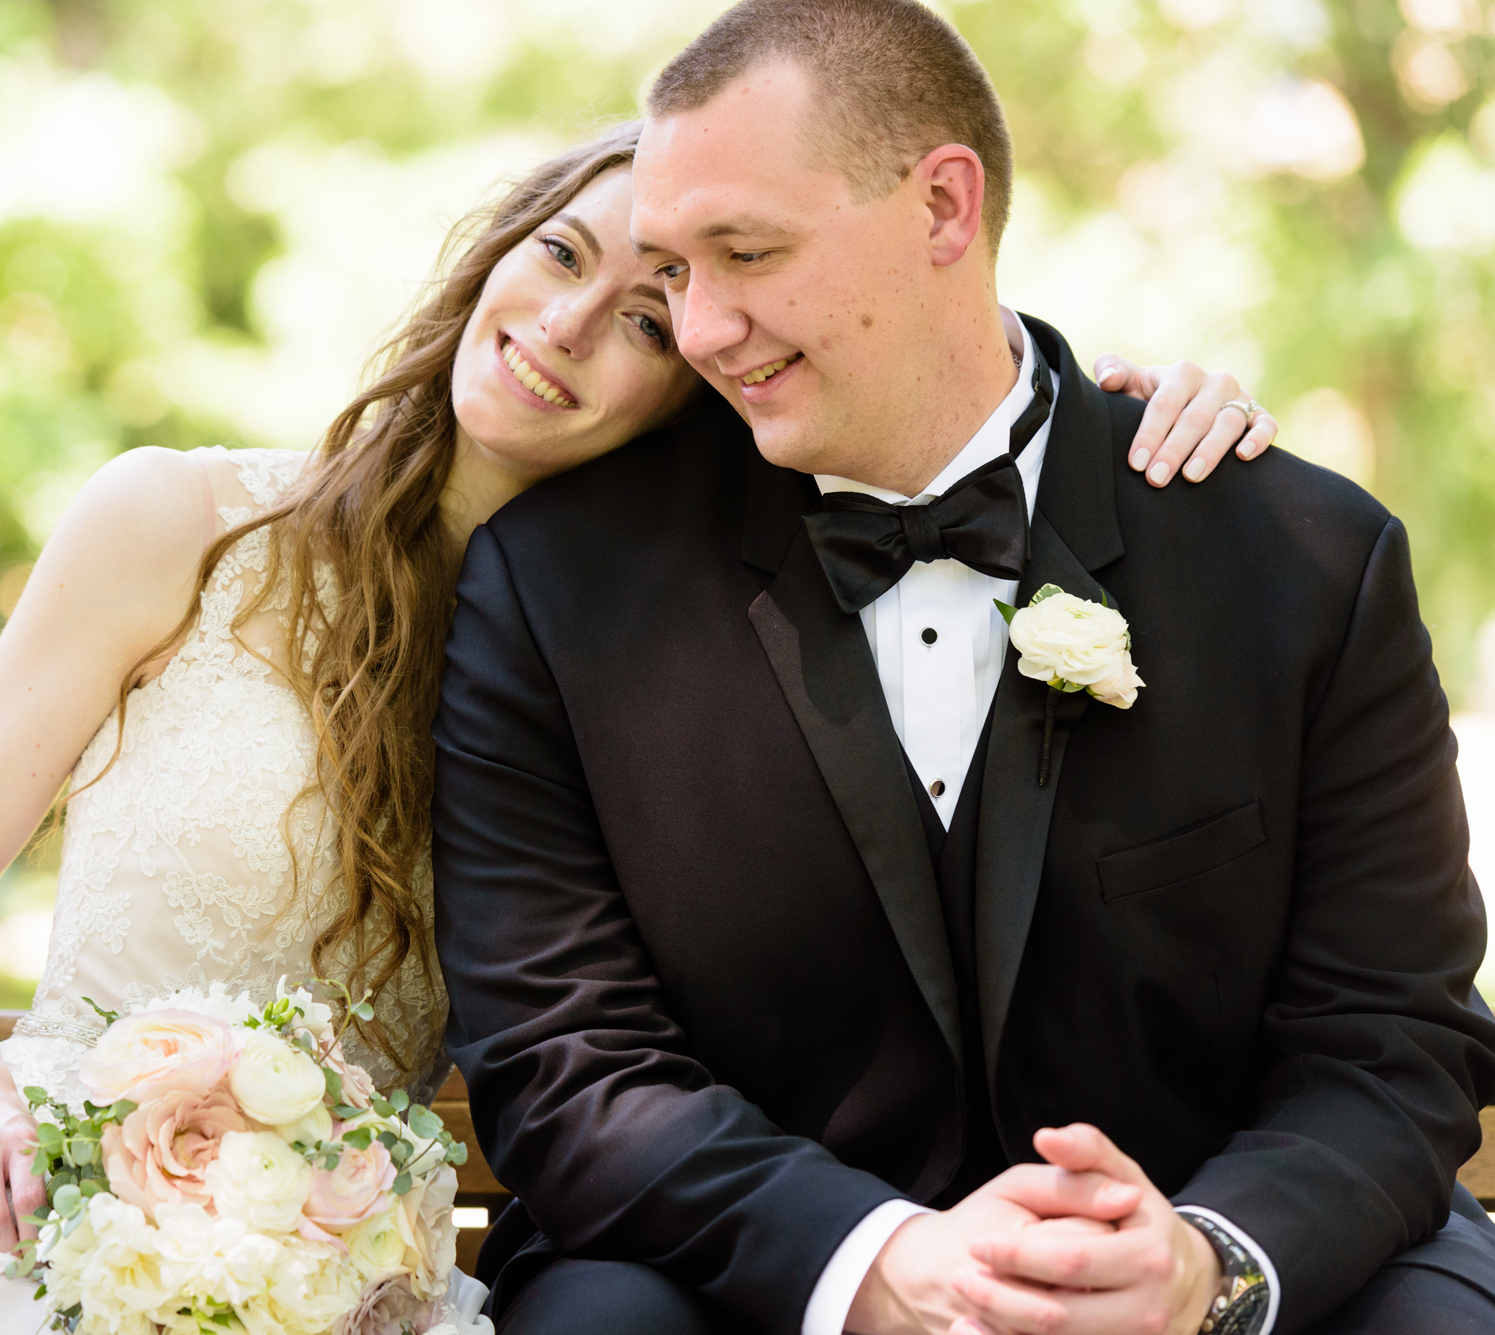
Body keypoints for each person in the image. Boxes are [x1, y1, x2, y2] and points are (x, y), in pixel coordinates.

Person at [0, 112, 1266, 1334]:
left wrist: (1131, 418)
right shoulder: (179, 524)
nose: (563, 327)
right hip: (28, 1210)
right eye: (559, 255)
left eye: (647, 319)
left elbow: (944, 422)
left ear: (704, 380)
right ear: (497, 252)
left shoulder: (657, 655)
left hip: (340, 1262)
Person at [430, 4, 1495, 1335]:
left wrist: (1205, 1264)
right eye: (676, 274)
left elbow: (1390, 1033)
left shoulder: (1300, 557)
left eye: (745, 253)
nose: (701, 329)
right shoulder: (558, 586)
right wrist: (877, 1263)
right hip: (754, 1275)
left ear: (944, 207)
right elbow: (564, 1057)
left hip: (1219, 1243)